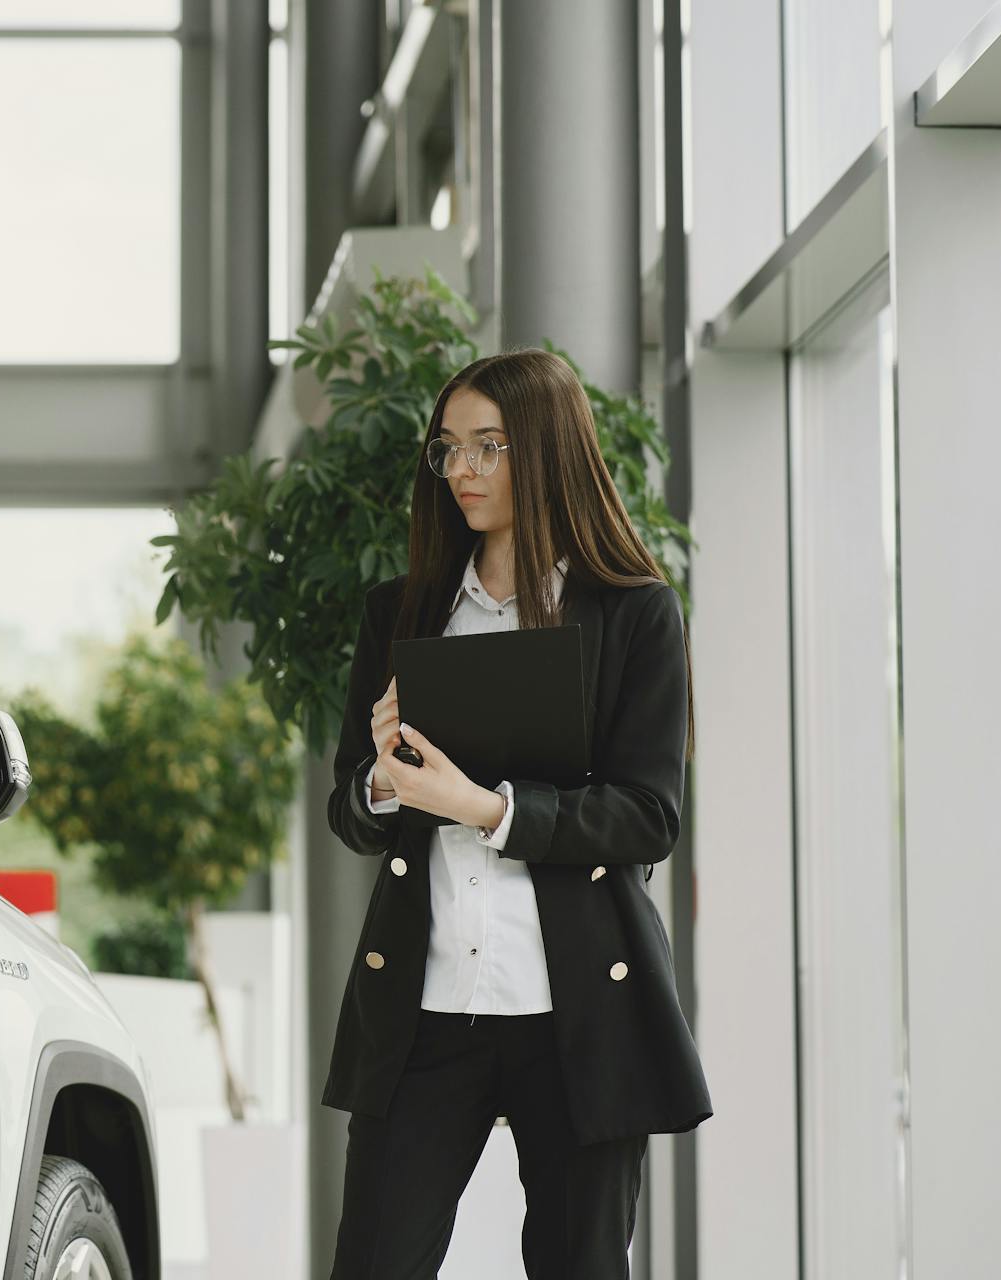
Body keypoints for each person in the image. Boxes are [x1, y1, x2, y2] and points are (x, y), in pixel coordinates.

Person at [321, 348, 712, 1280]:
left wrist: (484, 809)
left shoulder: (636, 614)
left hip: (577, 1008)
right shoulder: (402, 612)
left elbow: (648, 815)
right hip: (424, 1013)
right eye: (448, 449)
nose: (460, 470)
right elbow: (351, 810)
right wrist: (381, 781)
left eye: (487, 447)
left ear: (545, 450)